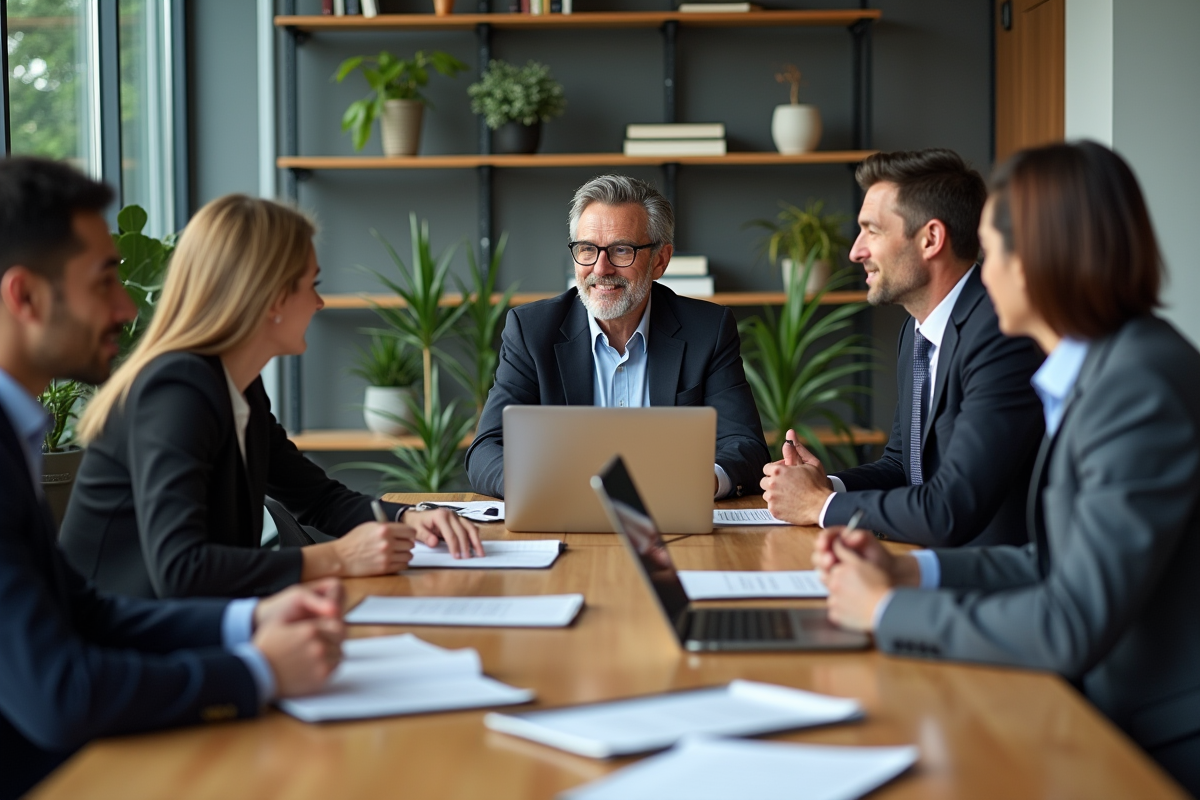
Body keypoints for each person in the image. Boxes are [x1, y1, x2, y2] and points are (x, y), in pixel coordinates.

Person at [815, 141, 1200, 795]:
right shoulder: (1102, 371)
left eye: (991, 252)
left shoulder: (1138, 386)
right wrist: (909, 570)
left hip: (1152, 740)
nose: (980, 277)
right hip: (1095, 701)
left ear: (1040, 259)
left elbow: (1069, 622)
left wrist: (886, 612)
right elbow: (1050, 560)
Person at [0, 157, 346, 799]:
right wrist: (255, 672)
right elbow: (60, 695)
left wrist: (244, 627)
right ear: (24, 296)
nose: (126, 305)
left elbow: (83, 611)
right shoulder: (178, 386)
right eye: (104, 280)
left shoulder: (12, 432)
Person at [59, 193, 483, 601]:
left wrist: (410, 516)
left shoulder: (236, 383)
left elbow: (315, 497)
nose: (318, 303)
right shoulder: (177, 391)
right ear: (271, 297)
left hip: (183, 629)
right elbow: (181, 570)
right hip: (112, 647)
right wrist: (335, 557)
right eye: (310, 284)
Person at [762, 149, 1045, 547]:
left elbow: (951, 507)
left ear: (930, 238)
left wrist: (820, 506)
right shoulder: (917, 331)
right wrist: (828, 486)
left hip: (986, 583)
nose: (855, 251)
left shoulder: (1000, 334)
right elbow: (903, 467)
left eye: (871, 230)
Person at [464, 174, 769, 499]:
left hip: (673, 523)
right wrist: (541, 488)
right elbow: (486, 450)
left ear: (660, 261)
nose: (601, 268)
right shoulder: (532, 331)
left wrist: (701, 481)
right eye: (587, 249)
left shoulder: (708, 329)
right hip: (563, 515)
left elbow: (745, 445)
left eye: (621, 251)